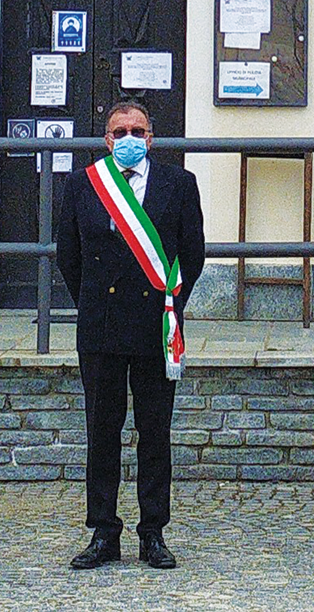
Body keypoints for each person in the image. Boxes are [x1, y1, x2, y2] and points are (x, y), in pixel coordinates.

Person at [57, 100, 205, 570]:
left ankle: (153, 531)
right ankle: (103, 531)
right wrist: (95, 303)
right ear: (106, 139)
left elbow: (193, 253)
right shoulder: (83, 185)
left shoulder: (179, 185)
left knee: (154, 431)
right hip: (100, 326)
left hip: (154, 325)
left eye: (137, 131)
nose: (128, 139)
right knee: (102, 431)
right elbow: (69, 256)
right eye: (119, 131)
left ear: (151, 138)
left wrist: (171, 306)